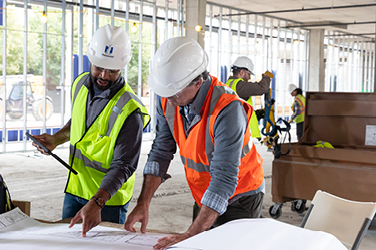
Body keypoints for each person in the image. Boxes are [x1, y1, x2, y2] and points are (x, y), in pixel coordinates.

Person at [124, 37, 264, 249]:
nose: (168, 99)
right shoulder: (169, 97)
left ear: (198, 81)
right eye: (165, 92)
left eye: (175, 93)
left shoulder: (227, 109)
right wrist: (143, 202)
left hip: (241, 197)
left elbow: (224, 178)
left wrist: (192, 233)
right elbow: (161, 151)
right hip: (204, 194)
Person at [31, 24, 150, 236]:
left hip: (107, 201)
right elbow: (79, 123)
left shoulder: (130, 111)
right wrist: (56, 139)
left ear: (122, 67)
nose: (104, 75)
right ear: (90, 60)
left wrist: (98, 201)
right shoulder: (79, 85)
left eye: (111, 71)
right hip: (75, 190)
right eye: (99, 67)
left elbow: (124, 165)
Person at [226, 56, 273, 140]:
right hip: (241, 134)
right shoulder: (239, 85)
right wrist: (266, 77)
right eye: (249, 74)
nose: (249, 78)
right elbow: (262, 88)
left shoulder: (229, 84)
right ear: (241, 72)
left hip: (235, 131)